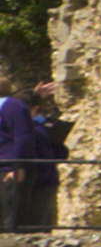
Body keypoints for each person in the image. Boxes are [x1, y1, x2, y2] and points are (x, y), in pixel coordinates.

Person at [0, 67, 54, 236]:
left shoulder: (12, 106)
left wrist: (18, 165)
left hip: (10, 168)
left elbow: (23, 136)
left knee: (12, 215)